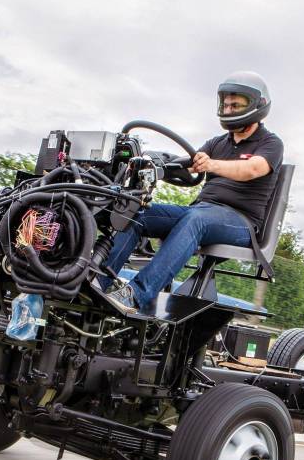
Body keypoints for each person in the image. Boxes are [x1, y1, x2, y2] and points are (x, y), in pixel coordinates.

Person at [99, 71, 284, 313]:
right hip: (200, 212)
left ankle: (135, 295)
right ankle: (98, 283)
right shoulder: (218, 143)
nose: (228, 110)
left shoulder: (270, 143)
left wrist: (212, 165)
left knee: (196, 220)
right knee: (137, 213)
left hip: (241, 223)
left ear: (257, 106)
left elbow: (252, 168)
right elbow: (187, 163)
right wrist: (150, 163)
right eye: (226, 105)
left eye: (235, 105)